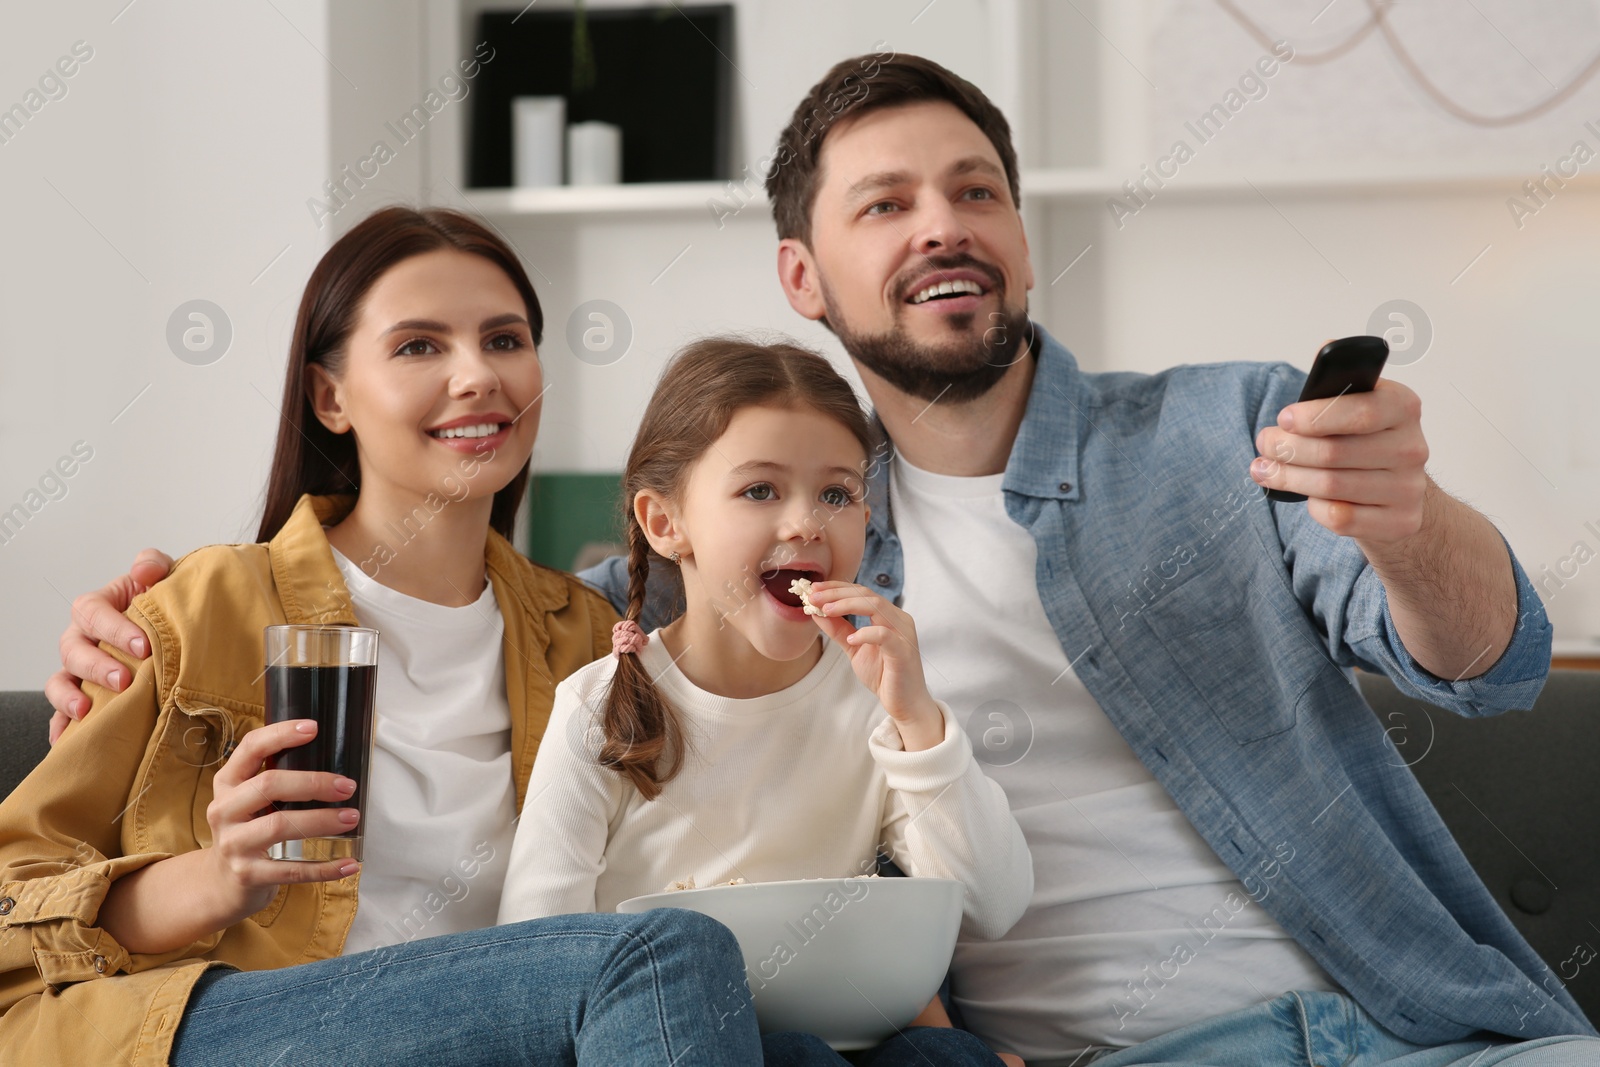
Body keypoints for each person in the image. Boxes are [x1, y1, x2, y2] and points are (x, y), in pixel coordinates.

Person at [48, 53, 1600, 1066]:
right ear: (805, 272)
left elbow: (1485, 660)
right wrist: (144, 642)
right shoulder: (726, 576)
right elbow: (616, 789)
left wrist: (1413, 519)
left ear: (1021, 233)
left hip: (1414, 1027)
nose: (946, 225)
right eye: (886, 203)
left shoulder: (1228, 432)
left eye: (978, 190)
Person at [0, 206, 763, 1065]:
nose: (478, 375)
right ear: (331, 397)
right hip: (218, 1026)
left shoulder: (587, 635)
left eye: (505, 340)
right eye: (419, 346)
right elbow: (13, 902)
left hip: (493, 1031)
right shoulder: (203, 606)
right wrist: (219, 875)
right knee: (664, 957)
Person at [495, 337, 1033, 1065]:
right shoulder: (600, 706)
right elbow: (532, 962)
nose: (808, 522)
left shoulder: (874, 699)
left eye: (837, 493)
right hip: (683, 1041)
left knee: (948, 1058)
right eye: (760, 490)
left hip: (854, 1035)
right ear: (665, 523)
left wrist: (917, 720)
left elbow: (994, 903)